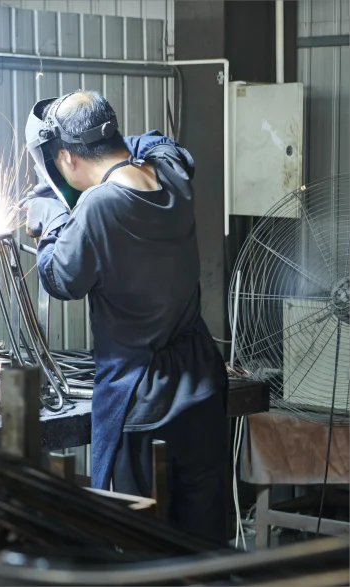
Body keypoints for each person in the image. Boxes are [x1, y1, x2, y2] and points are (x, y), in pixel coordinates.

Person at [23, 90, 229, 545]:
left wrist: (52, 219)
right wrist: (108, 144)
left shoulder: (98, 206)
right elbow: (160, 143)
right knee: (205, 541)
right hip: (201, 388)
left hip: (144, 400)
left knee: (140, 542)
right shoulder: (171, 174)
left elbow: (60, 279)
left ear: (67, 158)